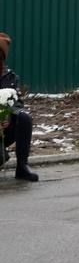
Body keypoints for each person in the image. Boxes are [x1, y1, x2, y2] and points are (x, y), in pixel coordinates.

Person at [0, 33, 38, 181]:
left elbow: (17, 104)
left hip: (3, 129)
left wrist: (9, 115)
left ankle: (22, 166)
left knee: (24, 118)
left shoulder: (9, 78)